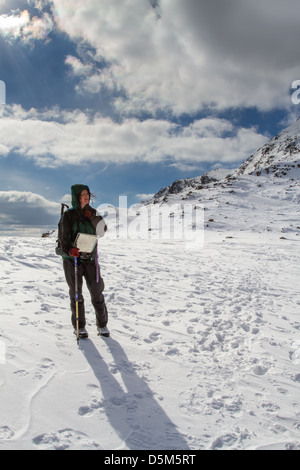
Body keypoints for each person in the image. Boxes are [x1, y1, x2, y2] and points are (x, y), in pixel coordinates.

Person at [60, 184, 109, 339]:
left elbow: (102, 232)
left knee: (97, 291)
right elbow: (63, 239)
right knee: (76, 294)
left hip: (90, 259)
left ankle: (102, 325)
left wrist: (93, 217)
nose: (86, 196)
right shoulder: (68, 215)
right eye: (82, 194)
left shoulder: (93, 212)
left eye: (87, 193)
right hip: (72, 259)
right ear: (76, 196)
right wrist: (69, 250)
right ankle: (79, 327)